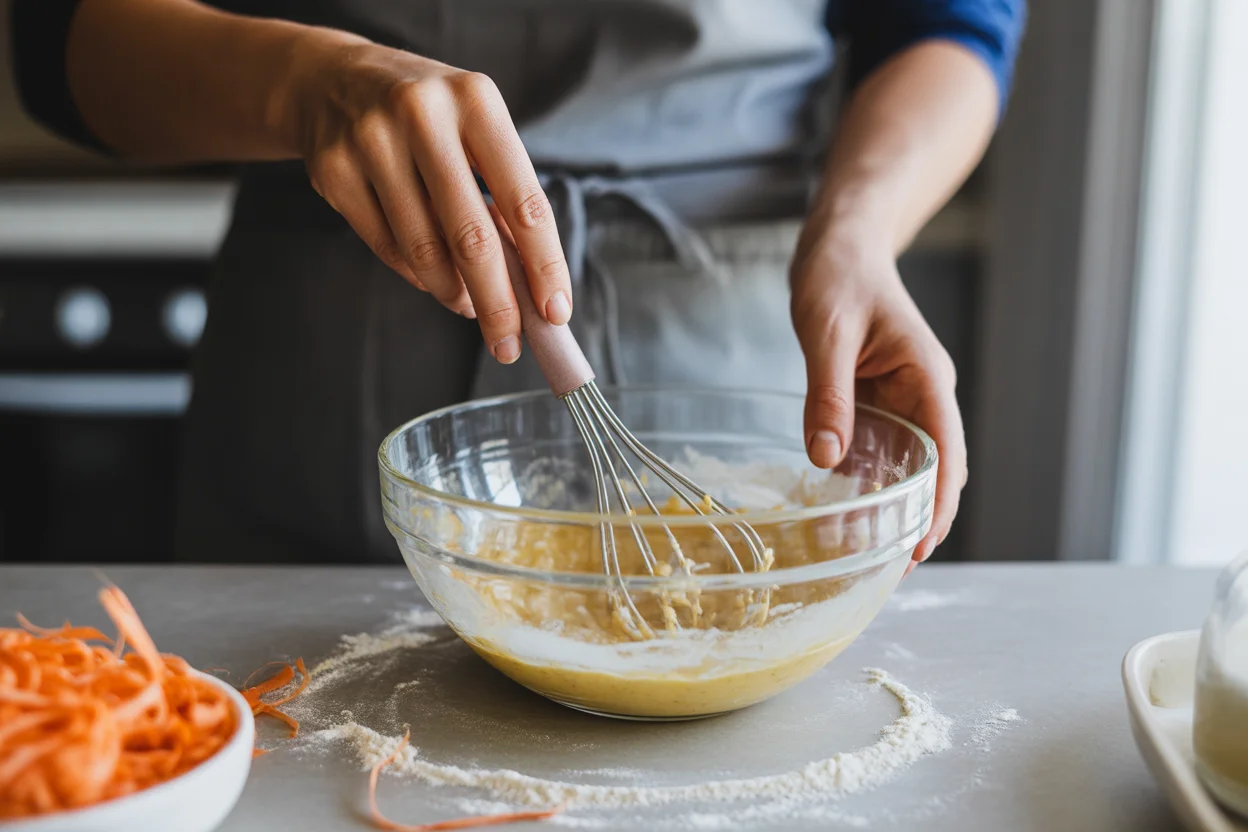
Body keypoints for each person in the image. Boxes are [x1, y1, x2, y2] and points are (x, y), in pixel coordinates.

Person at [9, 0, 1025, 566]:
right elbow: (61, 42)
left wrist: (859, 230)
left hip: (741, 347)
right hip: (324, 372)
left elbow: (950, 21)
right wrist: (307, 85)